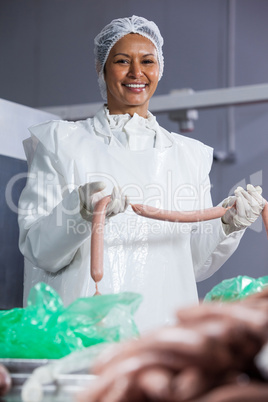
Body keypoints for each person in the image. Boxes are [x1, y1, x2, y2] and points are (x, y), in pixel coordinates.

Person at [18, 15, 265, 333]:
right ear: (101, 68)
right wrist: (78, 211)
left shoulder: (190, 155)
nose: (137, 73)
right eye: (122, 61)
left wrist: (227, 225)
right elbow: (40, 251)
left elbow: (192, 264)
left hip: (165, 335)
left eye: (147, 61)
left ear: (159, 69)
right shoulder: (59, 143)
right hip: (83, 334)